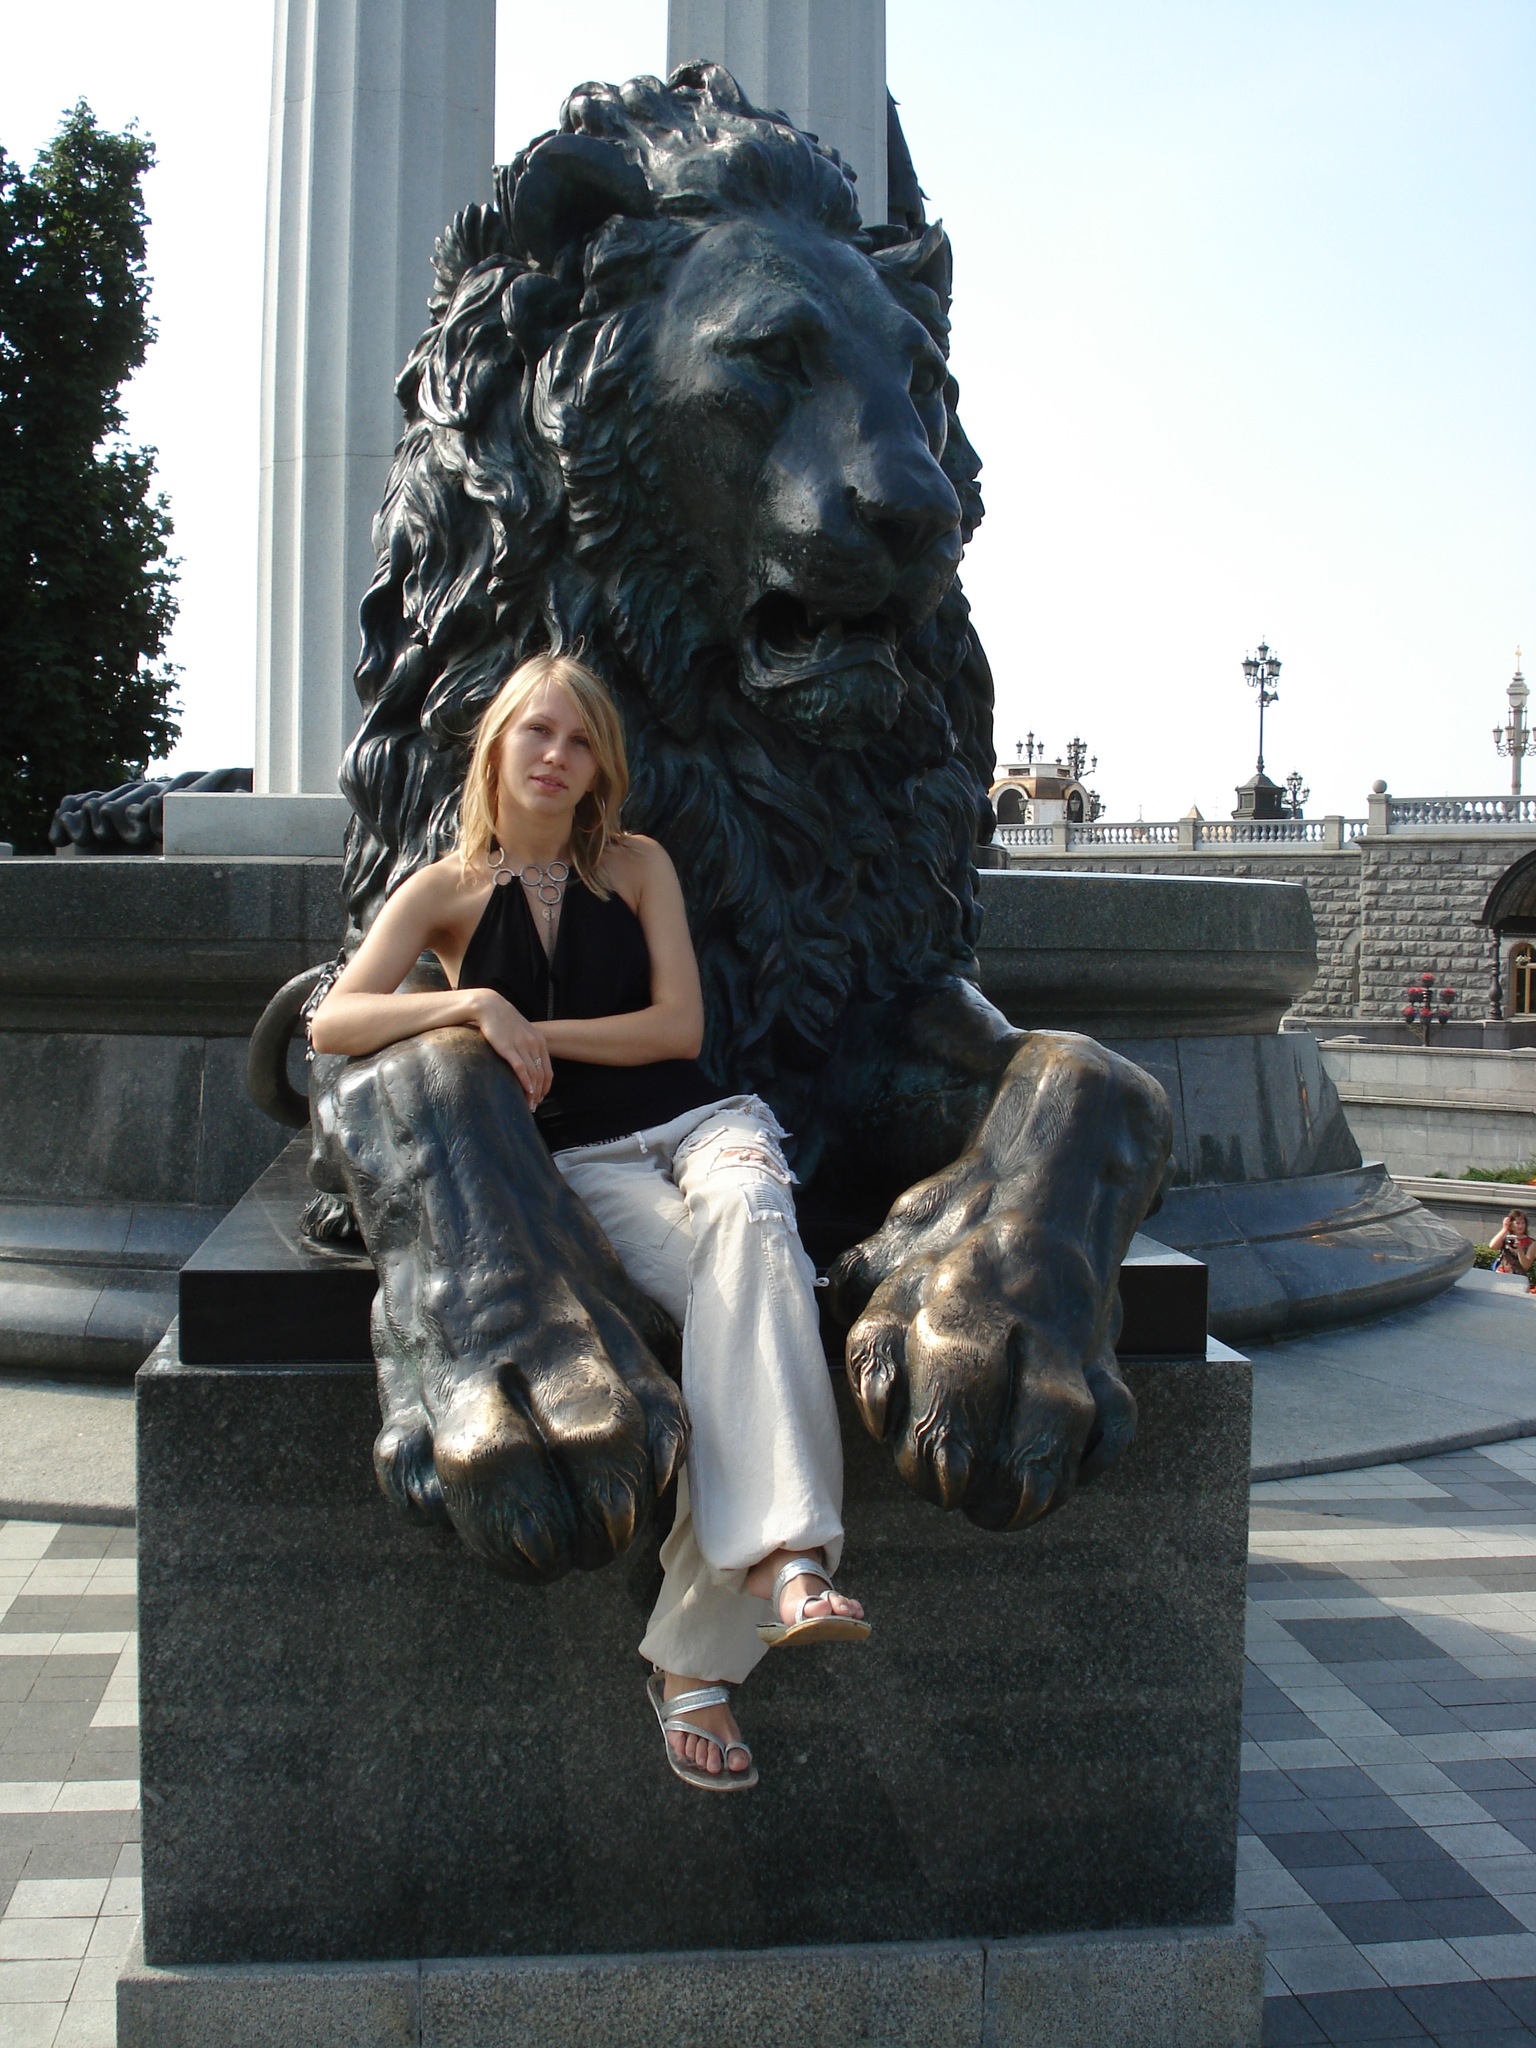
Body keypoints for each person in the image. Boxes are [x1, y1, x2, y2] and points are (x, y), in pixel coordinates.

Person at [310, 650, 869, 1792]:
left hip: (702, 1122)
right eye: (540, 732)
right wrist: (474, 1001)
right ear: (498, 745)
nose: (559, 756)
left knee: (755, 1220)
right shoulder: (442, 890)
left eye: (581, 741)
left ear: (602, 765)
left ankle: (782, 1569)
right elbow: (333, 1022)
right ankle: (741, 1609)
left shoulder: (638, 864)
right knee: (745, 1302)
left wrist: (530, 1037)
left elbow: (676, 1028)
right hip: (585, 1166)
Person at [1490, 1208, 1536, 1283]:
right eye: (1517, 1223)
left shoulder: (1531, 1242)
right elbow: (1492, 1246)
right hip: (1501, 1274)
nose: (1520, 1226)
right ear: (1512, 1225)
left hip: (1518, 1278)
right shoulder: (1506, 1238)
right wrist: (1505, 1229)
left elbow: (1526, 1266)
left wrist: (1519, 1250)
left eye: (1523, 1223)